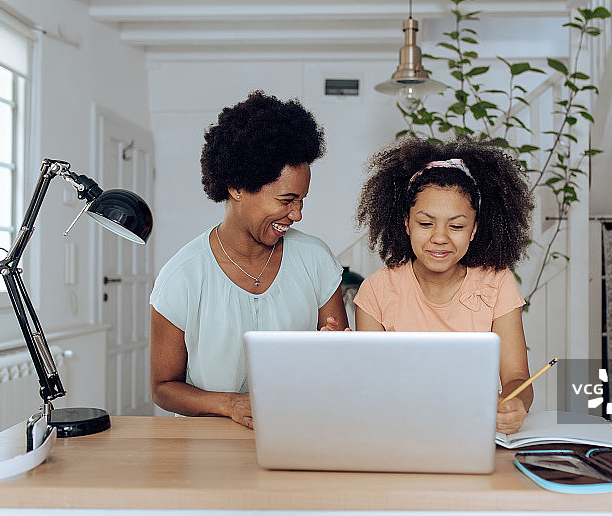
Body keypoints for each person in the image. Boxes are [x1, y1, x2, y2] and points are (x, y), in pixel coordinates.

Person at [150, 91, 348, 428]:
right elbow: (163, 387)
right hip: (208, 452)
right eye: (287, 200)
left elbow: (340, 366)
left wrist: (339, 351)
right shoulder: (182, 277)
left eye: (301, 200)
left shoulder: (316, 260)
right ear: (237, 187)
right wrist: (230, 405)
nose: (297, 214)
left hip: (297, 432)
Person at [353, 136, 534, 434]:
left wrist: (516, 403)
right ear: (407, 224)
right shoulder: (376, 292)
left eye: (457, 226)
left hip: (474, 432)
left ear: (474, 230)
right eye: (426, 224)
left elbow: (516, 375)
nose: (440, 237)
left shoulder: (497, 283)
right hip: (400, 433)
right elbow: (371, 385)